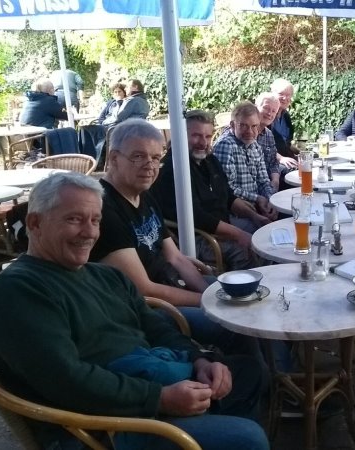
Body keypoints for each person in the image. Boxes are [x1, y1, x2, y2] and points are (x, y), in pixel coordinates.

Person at [0, 172, 269, 450]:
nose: (89, 232)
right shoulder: (17, 292)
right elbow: (66, 380)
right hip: (99, 426)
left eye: (95, 220)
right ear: (35, 223)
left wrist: (199, 361)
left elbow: (154, 326)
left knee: (248, 373)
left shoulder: (105, 275)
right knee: (247, 438)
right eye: (74, 219)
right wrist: (161, 398)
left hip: (144, 382)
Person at [89, 119, 258, 357]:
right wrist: (208, 301)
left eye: (155, 158)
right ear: (114, 158)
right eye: (138, 156)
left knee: (248, 298)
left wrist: (209, 293)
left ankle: (273, 371)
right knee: (237, 325)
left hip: (170, 284)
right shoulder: (104, 210)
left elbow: (176, 258)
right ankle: (243, 380)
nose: (150, 166)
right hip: (147, 309)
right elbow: (144, 289)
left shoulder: (143, 194)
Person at [150, 110, 268, 271]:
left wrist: (255, 217)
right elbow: (198, 217)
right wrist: (239, 234)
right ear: (180, 135)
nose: (203, 143)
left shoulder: (210, 160)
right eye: (196, 136)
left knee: (266, 238)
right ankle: (244, 285)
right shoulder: (172, 169)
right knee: (248, 251)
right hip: (197, 238)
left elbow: (228, 197)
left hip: (222, 228)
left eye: (208, 136)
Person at [213, 101, 278, 221]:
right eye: (243, 126)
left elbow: (263, 180)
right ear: (232, 125)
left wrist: (270, 200)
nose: (250, 131)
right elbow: (227, 188)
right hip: (235, 212)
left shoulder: (255, 145)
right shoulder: (226, 145)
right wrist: (257, 198)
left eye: (254, 126)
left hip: (256, 206)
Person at [255, 92, 287, 190]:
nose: (269, 114)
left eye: (274, 111)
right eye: (266, 108)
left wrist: (275, 180)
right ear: (255, 107)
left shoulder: (268, 134)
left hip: (267, 179)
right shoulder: (245, 133)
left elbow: (273, 162)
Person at [270, 78, 299, 157]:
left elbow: (286, 143)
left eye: (288, 95)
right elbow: (262, 146)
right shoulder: (267, 116)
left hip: (287, 158)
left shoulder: (286, 116)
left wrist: (302, 153)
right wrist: (281, 158)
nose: (285, 98)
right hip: (273, 160)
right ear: (272, 94)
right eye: (281, 94)